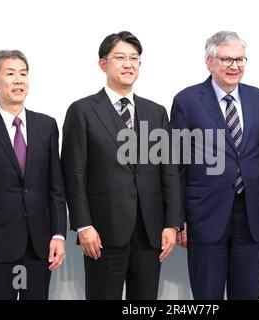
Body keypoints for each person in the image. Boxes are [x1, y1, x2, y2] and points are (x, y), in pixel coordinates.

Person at [61, 31, 182, 300]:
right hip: (102, 232)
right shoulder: (82, 111)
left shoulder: (156, 112)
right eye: (120, 58)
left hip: (150, 232)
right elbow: (74, 174)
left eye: (134, 58)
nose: (128, 64)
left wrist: (172, 224)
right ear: (103, 64)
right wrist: (83, 226)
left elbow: (169, 172)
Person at [170, 31, 259, 300]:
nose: (235, 66)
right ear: (210, 62)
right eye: (227, 60)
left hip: (252, 216)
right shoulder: (187, 101)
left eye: (240, 59)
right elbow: (177, 165)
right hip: (205, 217)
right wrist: (177, 219)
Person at [0, 50, 67, 300]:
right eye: (10, 74)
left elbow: (56, 188)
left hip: (39, 243)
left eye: (23, 73)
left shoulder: (47, 125)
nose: (19, 80)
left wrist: (58, 234)